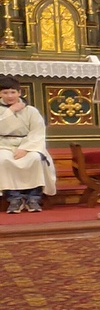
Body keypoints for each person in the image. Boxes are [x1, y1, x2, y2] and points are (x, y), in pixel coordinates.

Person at [0, 76, 56, 213]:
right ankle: (14, 198)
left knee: (35, 159)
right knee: (3, 160)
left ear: (19, 92)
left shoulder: (31, 111)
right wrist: (10, 111)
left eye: (13, 92)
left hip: (28, 144)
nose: (9, 96)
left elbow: (37, 132)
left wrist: (25, 148)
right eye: (5, 92)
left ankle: (33, 197)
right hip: (4, 144)